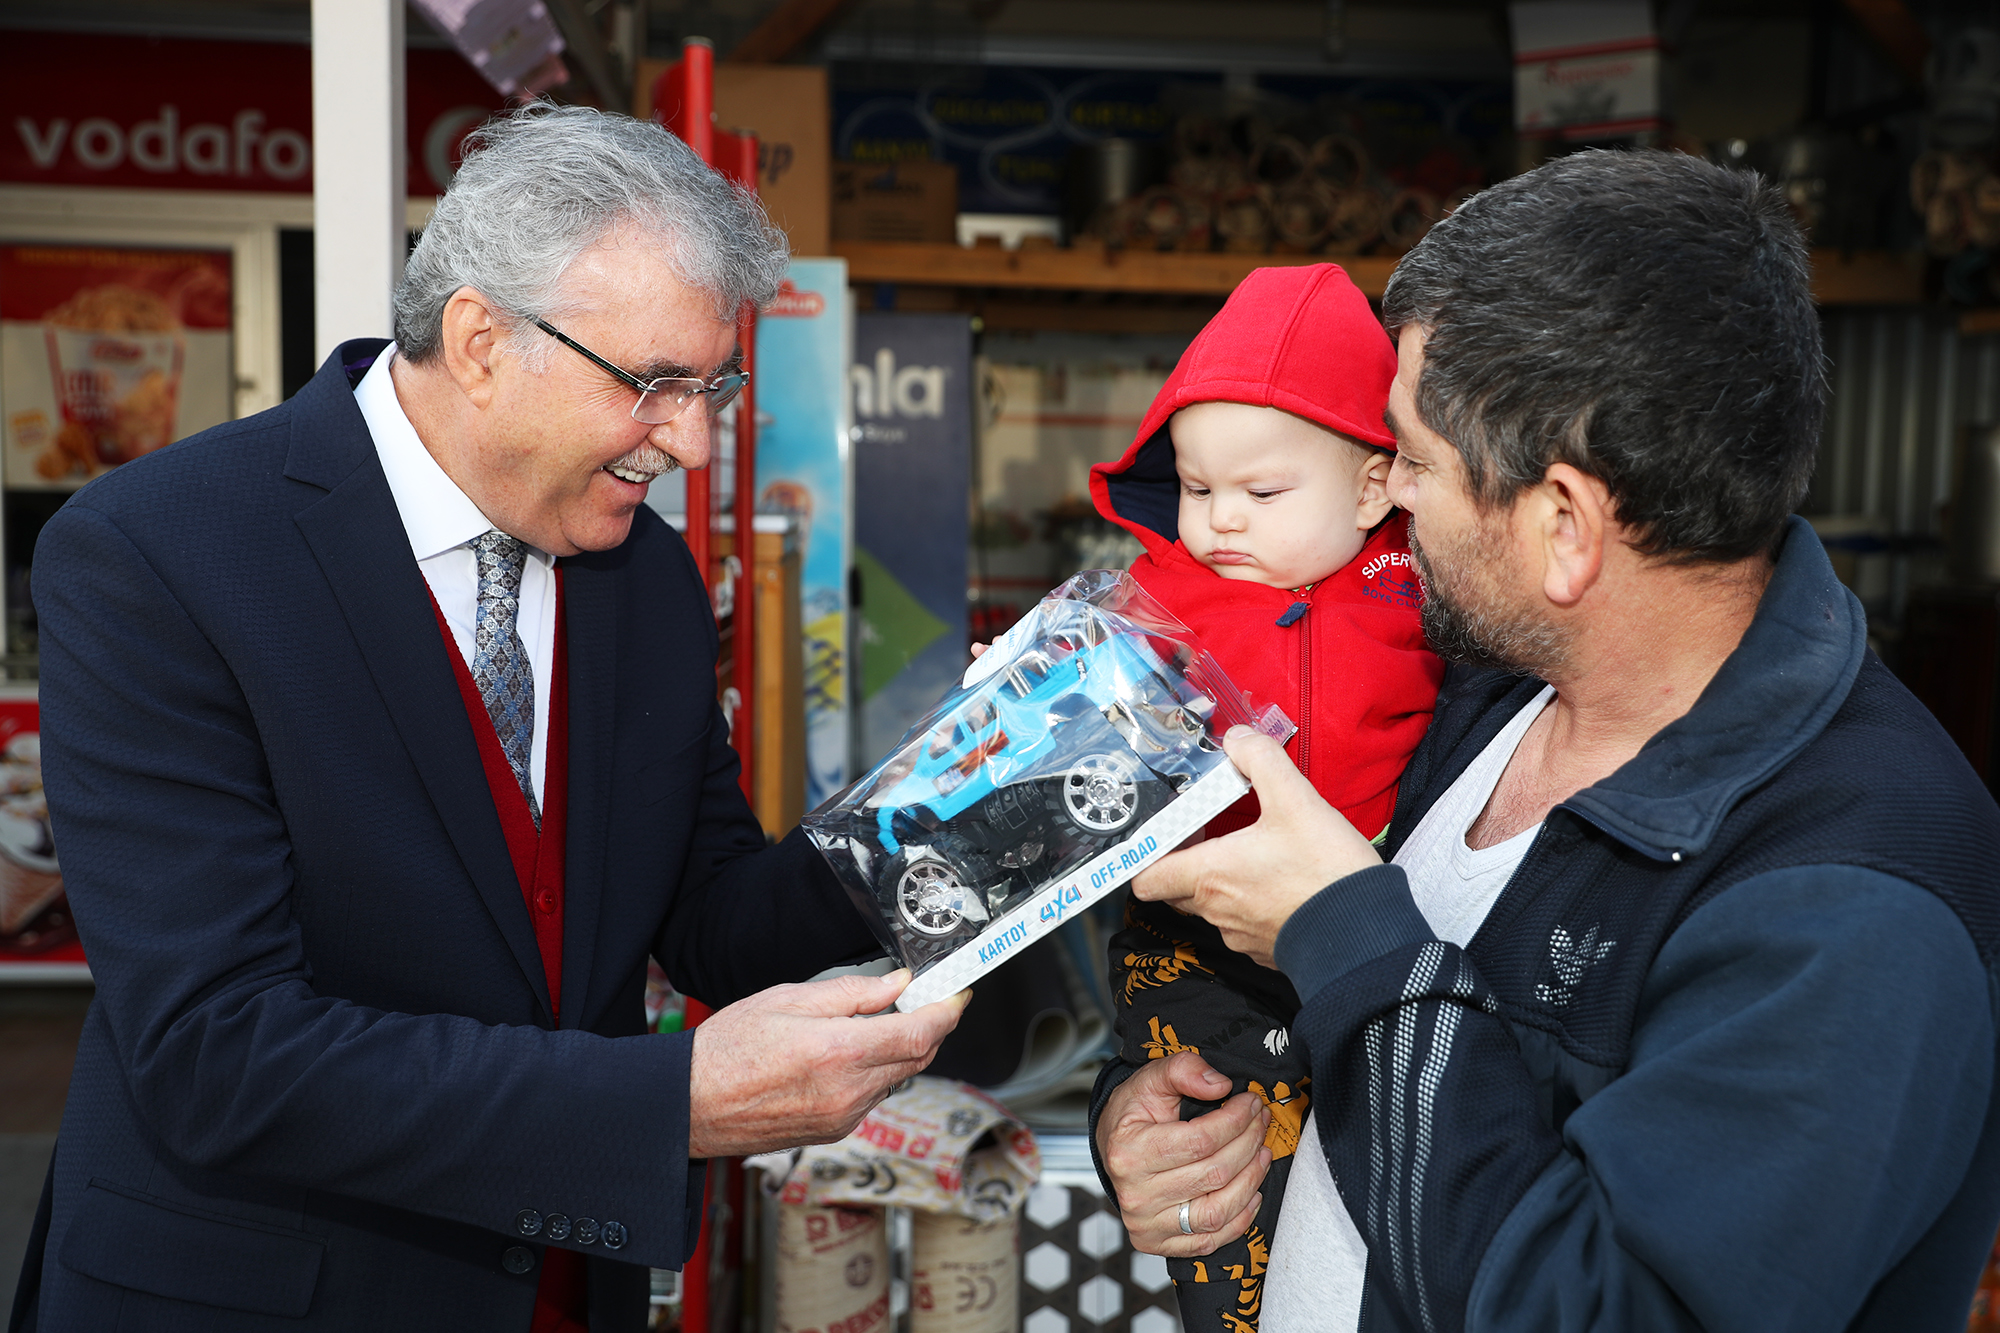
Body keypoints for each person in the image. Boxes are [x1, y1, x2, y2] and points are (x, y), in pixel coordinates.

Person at [10, 104, 961, 1333]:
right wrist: (666, 1101)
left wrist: (955, 798)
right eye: (655, 385)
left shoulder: (649, 581)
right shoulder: (157, 553)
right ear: (477, 341)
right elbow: (217, 1052)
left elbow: (712, 919)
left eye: (711, 383)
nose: (691, 436)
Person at [1092, 149, 2000, 1332]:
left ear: (1564, 524)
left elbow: (1600, 1308)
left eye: (1413, 461)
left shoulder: (1851, 905)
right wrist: (1148, 1110)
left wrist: (1347, 935)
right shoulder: (1476, 690)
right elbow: (1365, 1101)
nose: (1387, 498)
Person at [1087, 263, 1441, 1330]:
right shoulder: (1162, 600)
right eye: (1196, 489)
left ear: (1375, 486)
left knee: (1374, 1178)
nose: (1219, 522)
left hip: (1374, 939)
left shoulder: (1434, 599)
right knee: (1219, 1165)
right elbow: (1078, 703)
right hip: (1190, 942)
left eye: (1261, 492)